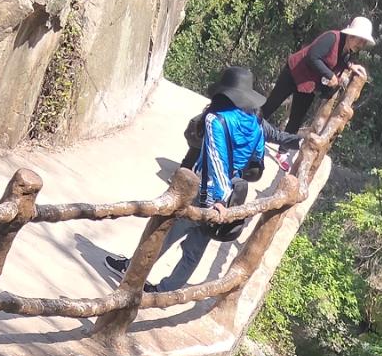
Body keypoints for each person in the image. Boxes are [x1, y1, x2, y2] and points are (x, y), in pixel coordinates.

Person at [102, 68, 296, 284]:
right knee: (194, 249)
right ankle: (167, 290)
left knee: (162, 234)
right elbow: (258, 156)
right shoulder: (257, 122)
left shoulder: (216, 120)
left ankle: (131, 272)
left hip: (207, 192)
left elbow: (216, 158)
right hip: (232, 194)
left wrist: (219, 197)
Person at [264, 16, 374, 132]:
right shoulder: (332, 37)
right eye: (360, 40)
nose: (361, 45)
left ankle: (283, 149)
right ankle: (246, 134)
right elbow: (313, 56)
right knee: (271, 105)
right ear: (351, 35)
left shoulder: (347, 52)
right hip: (294, 73)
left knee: (296, 120)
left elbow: (340, 60)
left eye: (364, 42)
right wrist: (330, 75)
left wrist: (350, 66)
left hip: (309, 84)